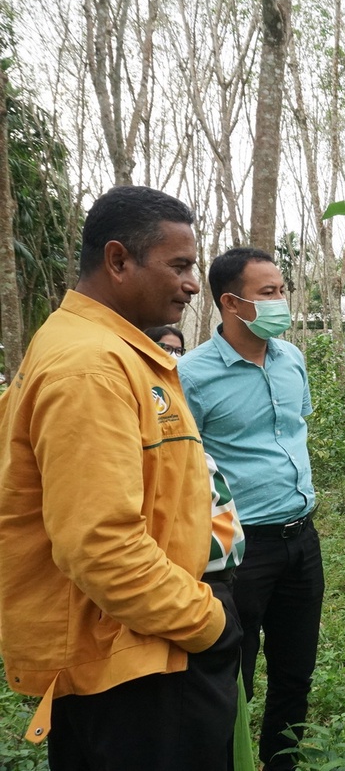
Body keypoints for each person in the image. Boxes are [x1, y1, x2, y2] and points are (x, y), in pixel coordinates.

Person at [0, 185, 240, 769]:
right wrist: (208, 623)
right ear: (117, 260)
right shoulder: (90, 368)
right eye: (179, 265)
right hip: (137, 668)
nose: (191, 282)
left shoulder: (114, 352)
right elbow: (100, 544)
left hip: (146, 649)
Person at [178, 247, 322, 771]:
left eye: (282, 289)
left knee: (294, 671)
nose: (282, 301)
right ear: (231, 303)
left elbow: (294, 429)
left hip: (302, 539)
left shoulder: (293, 360)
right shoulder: (190, 377)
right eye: (269, 293)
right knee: (230, 674)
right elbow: (181, 468)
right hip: (238, 552)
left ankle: (280, 763)